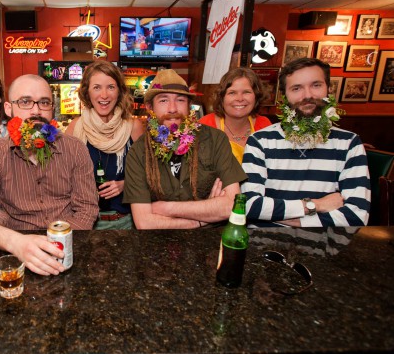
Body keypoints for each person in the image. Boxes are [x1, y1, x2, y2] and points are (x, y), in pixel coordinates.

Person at [0, 74, 98, 276]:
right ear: (8, 109)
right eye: (25, 101)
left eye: (44, 102)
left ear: (52, 109)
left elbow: (87, 208)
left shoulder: (75, 149)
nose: (36, 110)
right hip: (14, 254)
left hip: (69, 248)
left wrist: (56, 245)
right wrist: (16, 242)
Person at [241, 58, 370, 227]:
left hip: (326, 245)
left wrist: (295, 220)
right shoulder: (261, 140)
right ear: (284, 95)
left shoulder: (348, 143)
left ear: (329, 89)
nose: (308, 95)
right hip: (265, 241)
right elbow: (250, 206)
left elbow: (357, 216)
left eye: (316, 85)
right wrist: (317, 205)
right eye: (297, 88)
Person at [122, 69, 247, 229]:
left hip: (210, 242)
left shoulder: (215, 140)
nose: (172, 109)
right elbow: (144, 222)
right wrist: (202, 218)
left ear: (189, 106)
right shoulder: (139, 152)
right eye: (163, 100)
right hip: (158, 243)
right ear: (149, 107)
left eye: (180, 100)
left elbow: (232, 206)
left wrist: (165, 208)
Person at [66, 60, 145, 229]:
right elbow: (61, 177)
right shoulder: (75, 127)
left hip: (126, 222)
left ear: (120, 92)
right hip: (85, 222)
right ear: (87, 92)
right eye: (96, 87)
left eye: (110, 87)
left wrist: (125, 184)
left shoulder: (133, 127)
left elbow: (150, 175)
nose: (104, 95)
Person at [199, 67, 272, 163]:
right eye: (232, 93)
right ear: (222, 97)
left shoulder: (264, 125)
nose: (240, 98)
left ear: (256, 96)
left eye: (246, 92)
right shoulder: (205, 125)